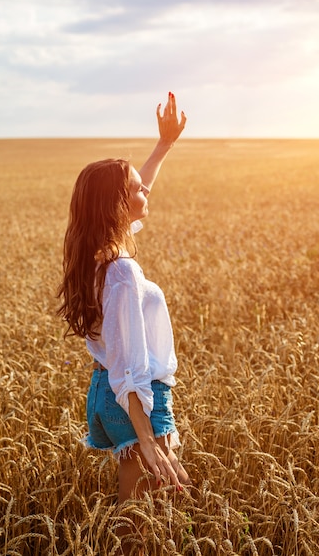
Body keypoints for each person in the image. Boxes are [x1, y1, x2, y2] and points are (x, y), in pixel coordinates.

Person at [57, 92, 191, 515]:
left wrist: (164, 145)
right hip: (133, 400)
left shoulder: (98, 251)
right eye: (135, 190)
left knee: (148, 511)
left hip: (103, 392)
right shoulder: (122, 272)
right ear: (117, 205)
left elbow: (140, 186)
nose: (145, 191)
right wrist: (148, 441)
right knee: (149, 518)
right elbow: (130, 366)